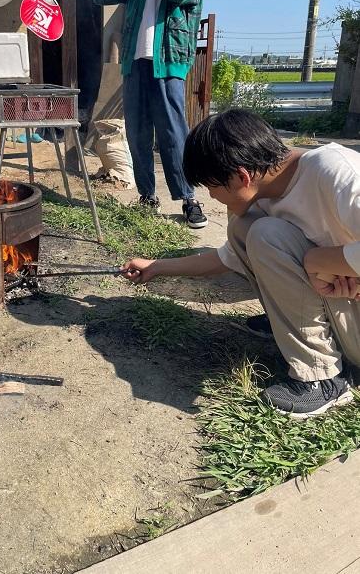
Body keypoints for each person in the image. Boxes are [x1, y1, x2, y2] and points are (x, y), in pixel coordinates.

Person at [122, 109, 360, 419]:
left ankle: (321, 378)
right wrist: (156, 266)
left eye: (211, 187)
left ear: (241, 176)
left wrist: (319, 261)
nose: (211, 196)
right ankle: (288, 323)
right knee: (246, 229)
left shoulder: (336, 173)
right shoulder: (264, 193)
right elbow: (227, 259)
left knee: (266, 233)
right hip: (345, 305)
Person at [43, 0, 209, 229]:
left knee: (173, 131)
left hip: (168, 53)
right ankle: (147, 196)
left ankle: (189, 198)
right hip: (134, 54)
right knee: (137, 131)